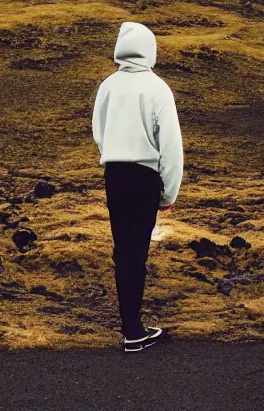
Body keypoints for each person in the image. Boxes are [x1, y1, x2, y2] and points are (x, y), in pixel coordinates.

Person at [92, 21, 184, 351]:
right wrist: (169, 193)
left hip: (114, 176)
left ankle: (131, 328)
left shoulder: (108, 86)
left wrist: (112, 154)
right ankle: (134, 332)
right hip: (145, 179)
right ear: (150, 49)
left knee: (123, 251)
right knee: (137, 253)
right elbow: (171, 147)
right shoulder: (157, 88)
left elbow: (98, 130)